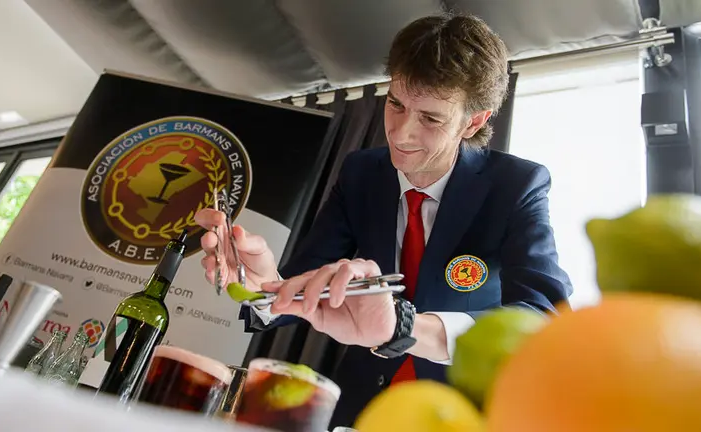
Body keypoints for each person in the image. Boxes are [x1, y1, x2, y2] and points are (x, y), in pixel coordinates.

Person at [195, 13, 573, 428]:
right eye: (396, 104)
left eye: (430, 118)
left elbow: (542, 318)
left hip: (463, 412)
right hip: (362, 407)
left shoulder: (515, 186)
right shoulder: (361, 173)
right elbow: (303, 286)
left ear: (473, 122)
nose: (400, 133)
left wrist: (402, 328)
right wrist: (263, 285)